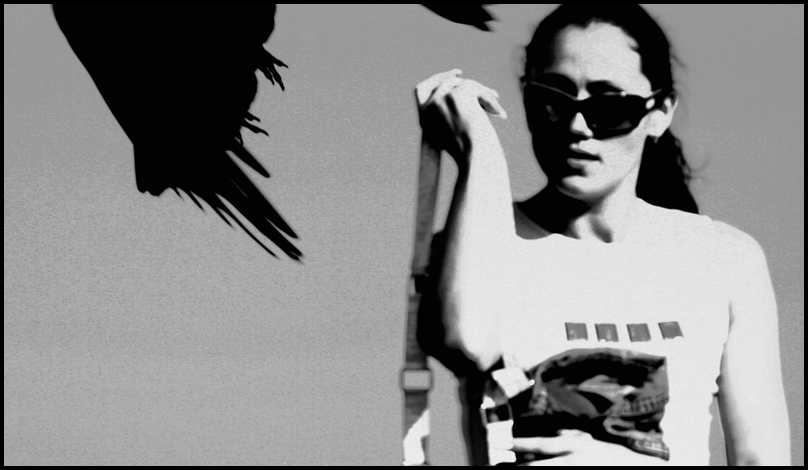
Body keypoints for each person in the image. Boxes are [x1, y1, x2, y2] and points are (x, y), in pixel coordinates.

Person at [414, 4, 790, 466]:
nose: (577, 127)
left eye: (610, 106)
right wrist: (481, 151)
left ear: (659, 113)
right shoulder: (479, 244)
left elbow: (760, 458)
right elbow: (466, 342)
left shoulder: (725, 260)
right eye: (552, 100)